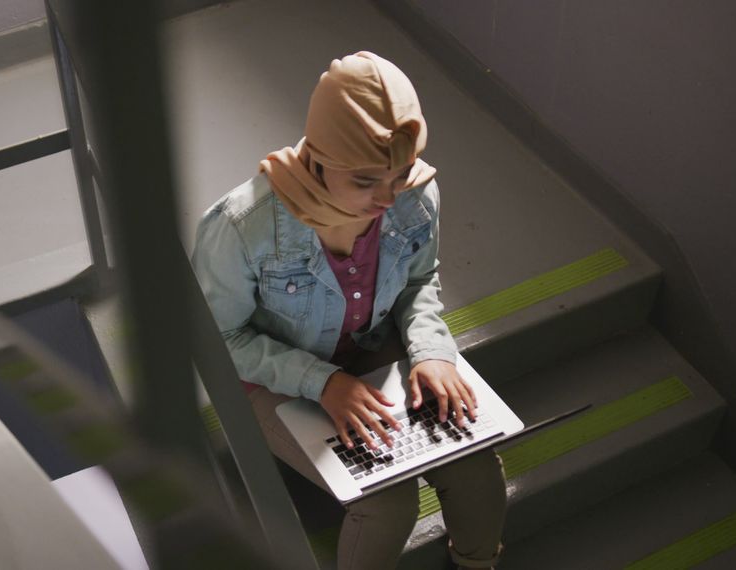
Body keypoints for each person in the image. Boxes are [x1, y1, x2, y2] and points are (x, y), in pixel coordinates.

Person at [191, 51, 507, 569]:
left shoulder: (414, 194)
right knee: (387, 505)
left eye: (399, 174)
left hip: (368, 347)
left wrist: (432, 351)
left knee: (476, 468)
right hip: (273, 377)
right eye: (364, 181)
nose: (387, 198)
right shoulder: (239, 227)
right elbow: (219, 341)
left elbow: (420, 281)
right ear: (318, 155)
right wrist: (324, 382)